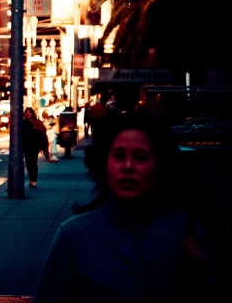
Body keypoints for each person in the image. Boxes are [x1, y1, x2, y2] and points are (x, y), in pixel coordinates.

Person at [34, 113, 213, 303]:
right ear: (104, 164)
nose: (128, 166)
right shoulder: (74, 235)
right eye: (119, 156)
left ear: (160, 165)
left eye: (141, 157)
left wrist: (201, 280)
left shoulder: (186, 232)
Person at [23, 106, 50, 188]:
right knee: (28, 164)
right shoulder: (23, 122)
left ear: (32, 113)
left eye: (29, 112)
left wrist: (42, 147)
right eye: (26, 112)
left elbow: (43, 134)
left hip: (35, 146)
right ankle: (32, 179)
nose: (28, 114)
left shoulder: (37, 122)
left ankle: (33, 181)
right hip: (26, 146)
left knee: (34, 163)